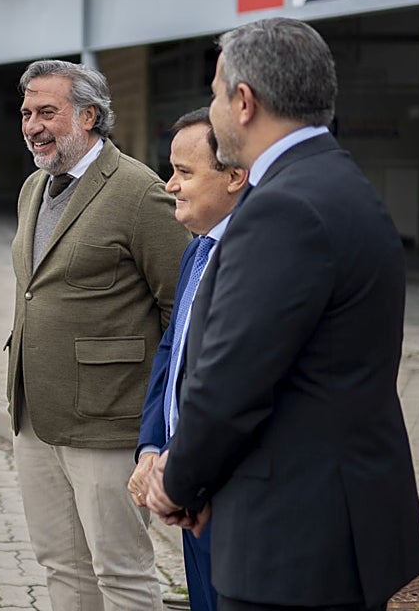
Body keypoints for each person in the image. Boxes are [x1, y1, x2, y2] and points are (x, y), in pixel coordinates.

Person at [146, 18, 419, 611]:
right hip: (332, 525)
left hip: (294, 541)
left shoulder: (283, 209)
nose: (213, 107)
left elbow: (232, 381)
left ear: (243, 102)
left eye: (218, 92)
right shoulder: (339, 182)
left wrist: (176, 484)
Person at [7, 60, 187, 611]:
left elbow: (180, 311)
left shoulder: (138, 190)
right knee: (61, 565)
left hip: (108, 422)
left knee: (122, 573)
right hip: (35, 415)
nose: (32, 125)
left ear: (89, 115)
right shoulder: (33, 187)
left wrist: (160, 424)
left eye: (47, 112)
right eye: (26, 113)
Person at [127, 108, 247, 611]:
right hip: (186, 481)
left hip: (231, 488)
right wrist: (152, 445)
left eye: (185, 172)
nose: (169, 185)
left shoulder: (255, 257)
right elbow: (171, 353)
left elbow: (238, 384)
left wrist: (183, 466)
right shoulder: (197, 249)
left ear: (235, 176)